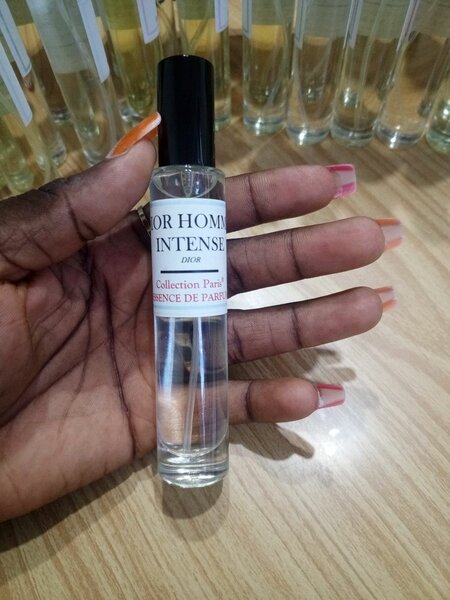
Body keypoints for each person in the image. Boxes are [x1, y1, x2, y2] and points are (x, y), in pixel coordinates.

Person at [0, 141, 401, 522]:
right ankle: (181, 454)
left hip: (200, 298)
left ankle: (203, 453)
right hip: (170, 304)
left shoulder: (208, 182)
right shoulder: (164, 183)